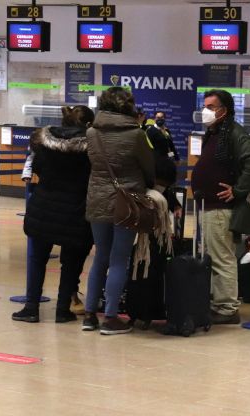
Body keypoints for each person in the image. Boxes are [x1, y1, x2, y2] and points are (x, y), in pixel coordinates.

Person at [11, 105, 95, 324]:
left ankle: (31, 308)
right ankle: (61, 310)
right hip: (75, 210)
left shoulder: (44, 143)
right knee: (71, 263)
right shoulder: (91, 148)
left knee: (37, 259)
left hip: (44, 207)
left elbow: (37, 167)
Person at [83, 87, 155, 335]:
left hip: (97, 199)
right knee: (119, 259)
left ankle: (90, 314)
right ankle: (111, 317)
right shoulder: (136, 134)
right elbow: (149, 166)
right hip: (127, 202)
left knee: (100, 256)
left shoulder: (91, 132)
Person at [190, 89, 250, 324]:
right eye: (205, 106)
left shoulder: (233, 132)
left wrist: (238, 189)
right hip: (209, 205)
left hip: (221, 207)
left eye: (211, 107)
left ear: (225, 110)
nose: (206, 111)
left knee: (222, 257)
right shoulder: (214, 133)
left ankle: (227, 308)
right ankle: (219, 302)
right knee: (215, 255)